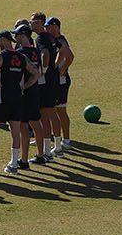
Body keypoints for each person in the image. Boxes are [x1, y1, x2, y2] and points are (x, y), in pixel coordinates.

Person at [0, 31, 38, 174]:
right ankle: (14, 164)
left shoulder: (0, 56)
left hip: (2, 99)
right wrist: (24, 86)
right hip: (18, 98)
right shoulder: (22, 57)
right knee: (15, 132)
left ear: (3, 40)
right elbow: (36, 73)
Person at [12, 24, 49, 166]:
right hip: (35, 91)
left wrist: (23, 86)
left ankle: (24, 160)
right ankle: (40, 155)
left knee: (23, 126)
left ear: (24, 35)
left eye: (17, 35)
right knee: (36, 123)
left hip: (25, 93)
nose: (15, 38)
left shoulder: (20, 53)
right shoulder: (35, 51)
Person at [29, 11, 60, 160]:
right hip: (52, 79)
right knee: (48, 114)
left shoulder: (41, 38)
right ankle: (51, 148)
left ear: (41, 23)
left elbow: (45, 54)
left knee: (43, 115)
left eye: (33, 22)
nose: (31, 24)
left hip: (46, 81)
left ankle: (47, 152)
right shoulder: (50, 37)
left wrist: (43, 71)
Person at [46, 16, 75, 153]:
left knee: (60, 110)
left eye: (49, 27)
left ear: (56, 27)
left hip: (60, 81)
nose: (47, 29)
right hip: (58, 80)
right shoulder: (56, 40)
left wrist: (62, 70)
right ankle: (57, 138)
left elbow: (69, 57)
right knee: (56, 110)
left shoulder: (60, 41)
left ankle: (66, 140)